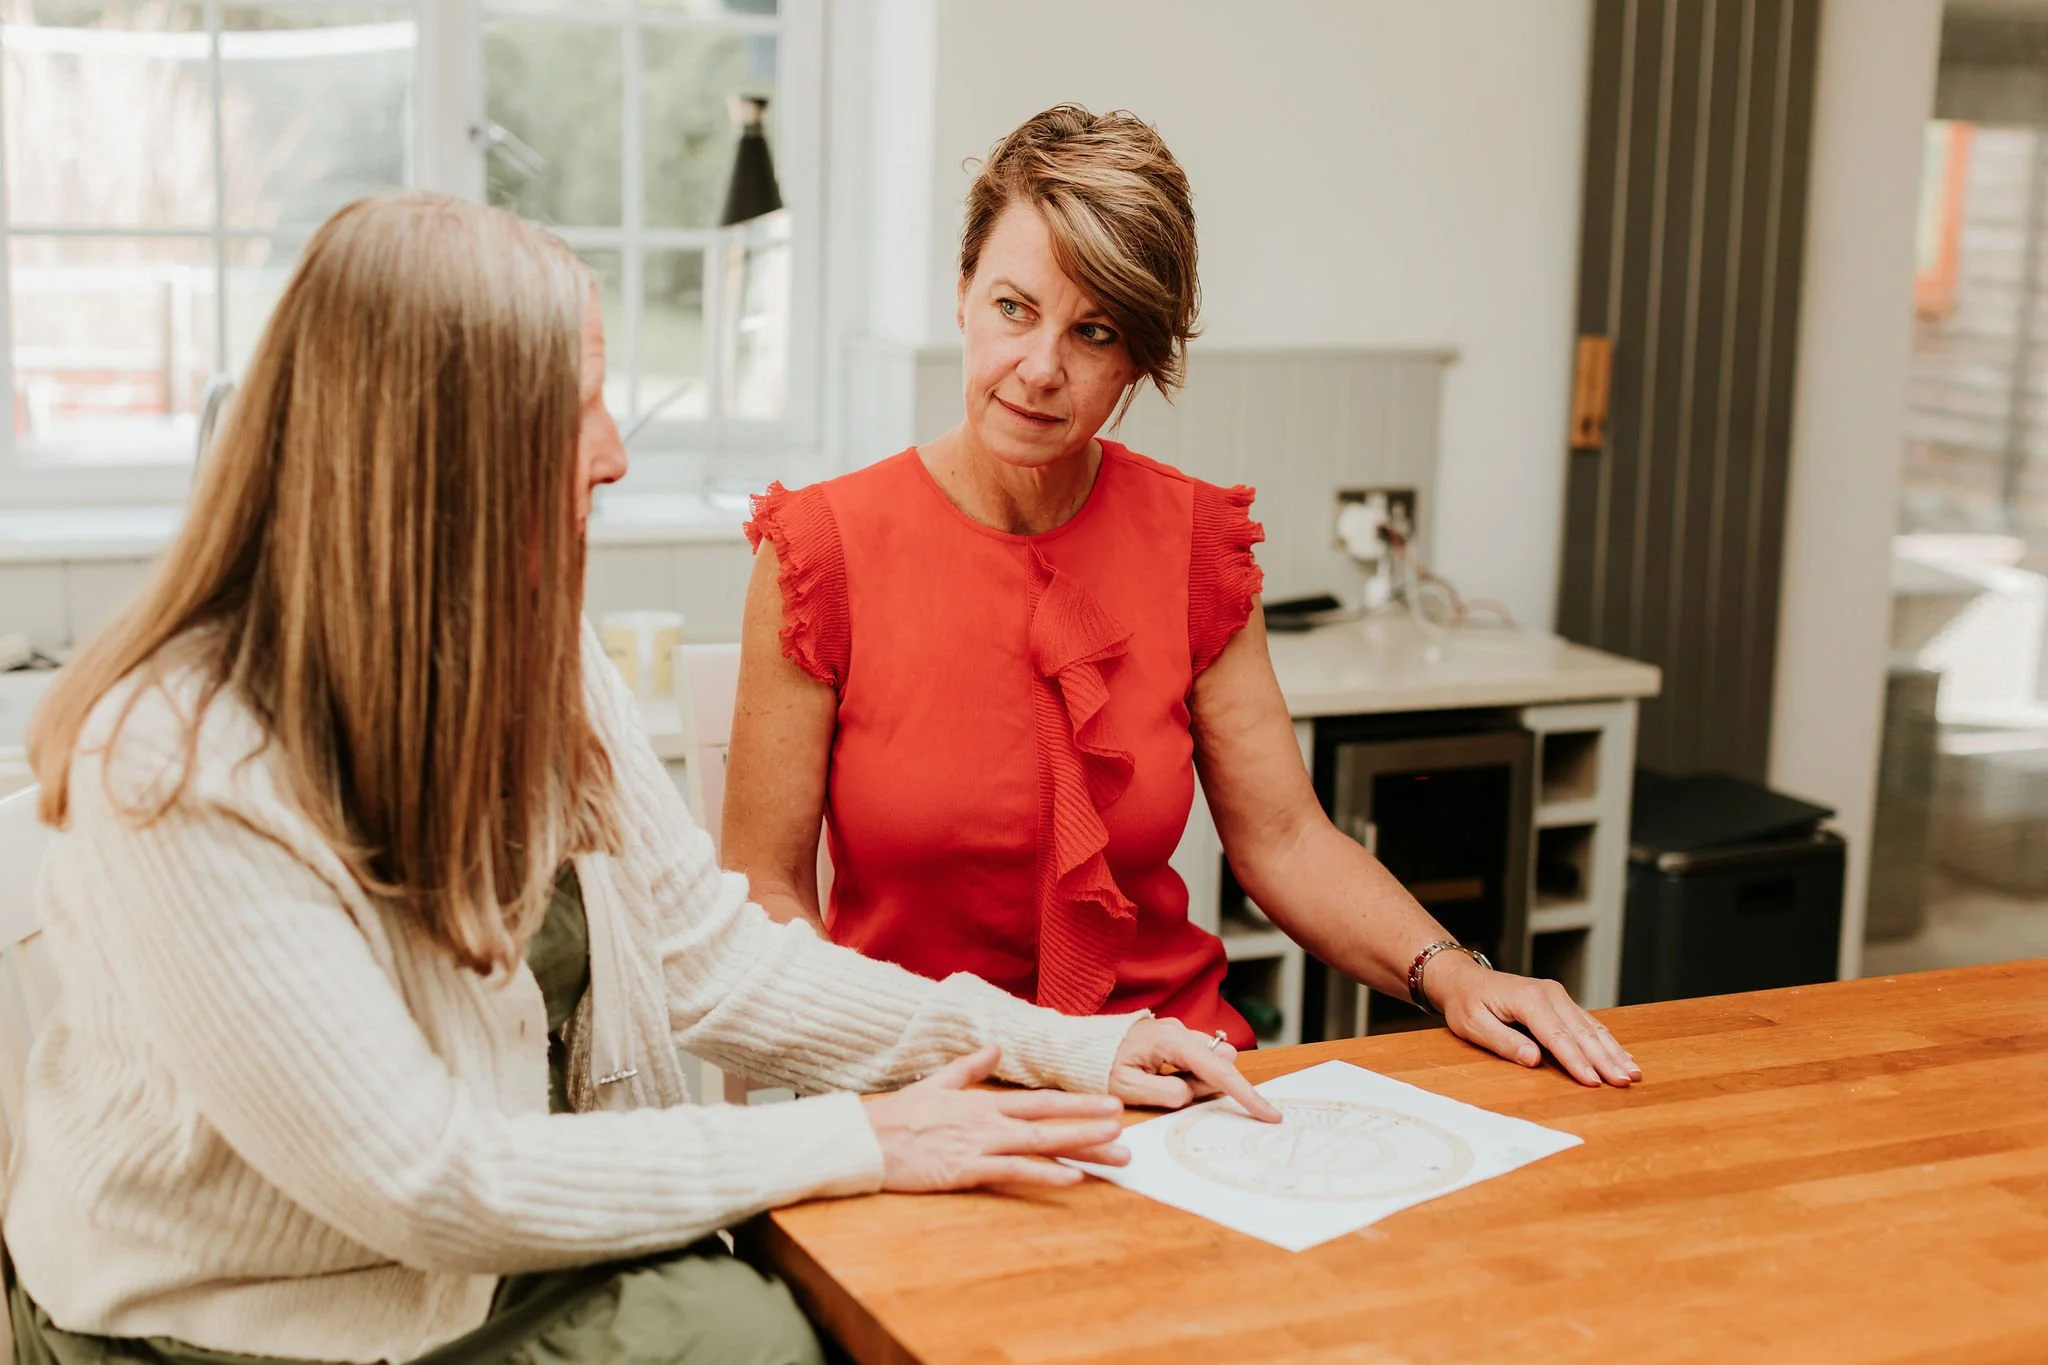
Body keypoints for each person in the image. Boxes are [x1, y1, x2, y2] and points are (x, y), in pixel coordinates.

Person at [1, 192, 1274, 1365]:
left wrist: (1062, 1047)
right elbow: (424, 1178)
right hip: (243, 1325)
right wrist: (861, 1138)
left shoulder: (528, 641)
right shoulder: (179, 765)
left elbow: (712, 960)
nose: (613, 453)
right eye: (580, 403)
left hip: (482, 1263)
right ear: (436, 450)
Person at [723, 105, 1640, 1090]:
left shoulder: (1193, 545)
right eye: (1012, 308)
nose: (1040, 369)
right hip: (931, 1090)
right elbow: (765, 892)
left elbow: (1285, 840)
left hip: (1176, 1083)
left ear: (1138, 357)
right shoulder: (821, 551)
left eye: (1094, 331)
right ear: (960, 295)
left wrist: (1453, 974)